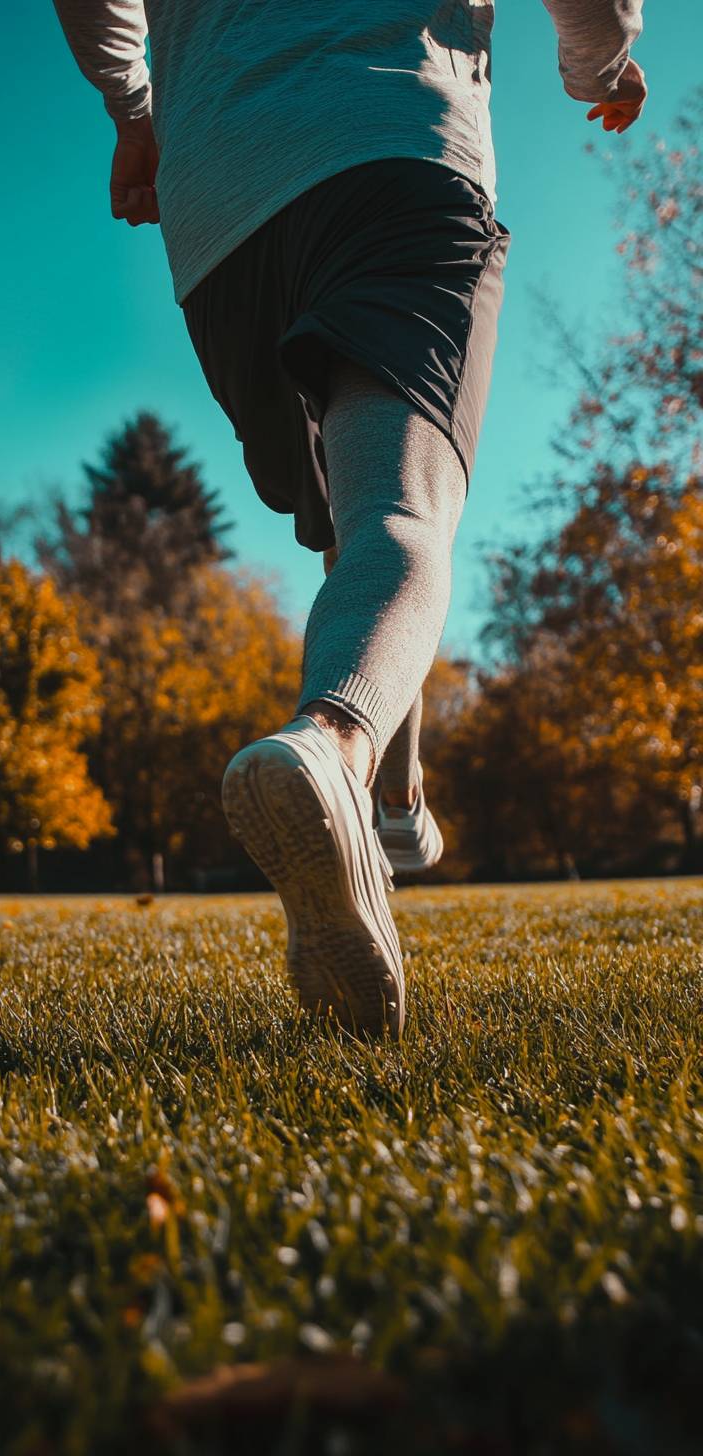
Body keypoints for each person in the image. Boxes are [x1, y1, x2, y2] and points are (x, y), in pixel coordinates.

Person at [52, 0, 647, 1041]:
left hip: (223, 208)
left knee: (349, 526)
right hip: (394, 142)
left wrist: (133, 109)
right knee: (398, 507)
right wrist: (602, 62)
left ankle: (393, 810)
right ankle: (334, 740)